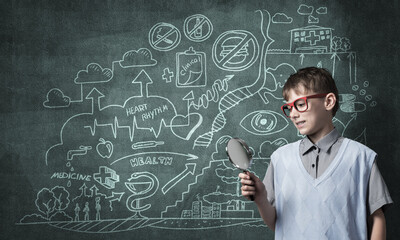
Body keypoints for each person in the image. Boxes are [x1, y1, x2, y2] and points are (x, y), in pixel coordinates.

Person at [239, 67, 392, 240]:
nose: (294, 114)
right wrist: (260, 198)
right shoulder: (280, 158)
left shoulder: (361, 157)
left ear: (328, 102)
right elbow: (277, 223)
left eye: (301, 104)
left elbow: (377, 218)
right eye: (289, 108)